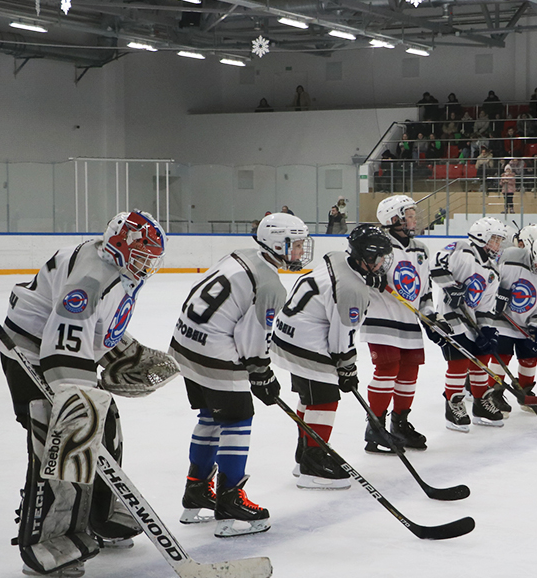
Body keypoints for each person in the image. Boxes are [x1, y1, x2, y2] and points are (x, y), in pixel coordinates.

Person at [0, 210, 167, 577]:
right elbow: (63, 339)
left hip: (55, 343)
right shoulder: (91, 279)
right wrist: (77, 400)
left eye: (152, 258)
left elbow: (92, 326)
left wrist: (124, 352)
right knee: (63, 443)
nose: (147, 265)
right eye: (142, 256)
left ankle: (102, 518)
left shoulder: (117, 267)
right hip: (30, 353)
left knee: (103, 429)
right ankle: (49, 540)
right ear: (121, 247)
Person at [173, 213, 309, 537]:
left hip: (184, 342)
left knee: (210, 417)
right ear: (279, 243)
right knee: (237, 419)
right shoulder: (271, 285)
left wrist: (258, 372)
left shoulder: (243, 255)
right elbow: (253, 338)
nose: (302, 250)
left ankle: (196, 491)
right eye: (298, 244)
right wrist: (261, 374)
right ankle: (230, 498)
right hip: (213, 351)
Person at [271, 225, 393, 489]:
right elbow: (341, 338)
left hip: (288, 334)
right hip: (306, 343)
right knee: (324, 400)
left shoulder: (338, 259)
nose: (383, 263)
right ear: (366, 257)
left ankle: (304, 454)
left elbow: (339, 285)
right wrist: (347, 368)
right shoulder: (352, 290)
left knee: (309, 397)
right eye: (379, 257)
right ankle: (313, 466)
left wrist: (367, 278)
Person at [361, 196, 444, 453]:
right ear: (392, 218)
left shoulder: (420, 249)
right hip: (381, 318)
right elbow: (357, 269)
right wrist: (368, 278)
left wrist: (431, 315)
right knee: (387, 370)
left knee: (409, 372)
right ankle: (375, 428)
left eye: (413, 213)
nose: (414, 218)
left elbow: (425, 290)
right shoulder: (379, 246)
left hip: (409, 320)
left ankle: (400, 423)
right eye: (408, 214)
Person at [430, 217, 510, 430]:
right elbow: (435, 264)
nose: (498, 244)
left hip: (471, 319)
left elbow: (485, 306)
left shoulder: (493, 270)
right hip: (450, 316)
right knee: (459, 359)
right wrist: (449, 287)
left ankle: (480, 403)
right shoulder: (463, 250)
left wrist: (487, 330)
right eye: (494, 239)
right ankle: (453, 403)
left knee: (482, 356)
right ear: (482, 237)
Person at [487, 226, 537, 415]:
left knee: (530, 355)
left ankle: (526, 393)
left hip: (525, 323)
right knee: (502, 354)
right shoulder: (511, 257)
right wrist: (497, 296)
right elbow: (490, 277)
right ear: (534, 254)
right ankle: (494, 392)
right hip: (501, 318)